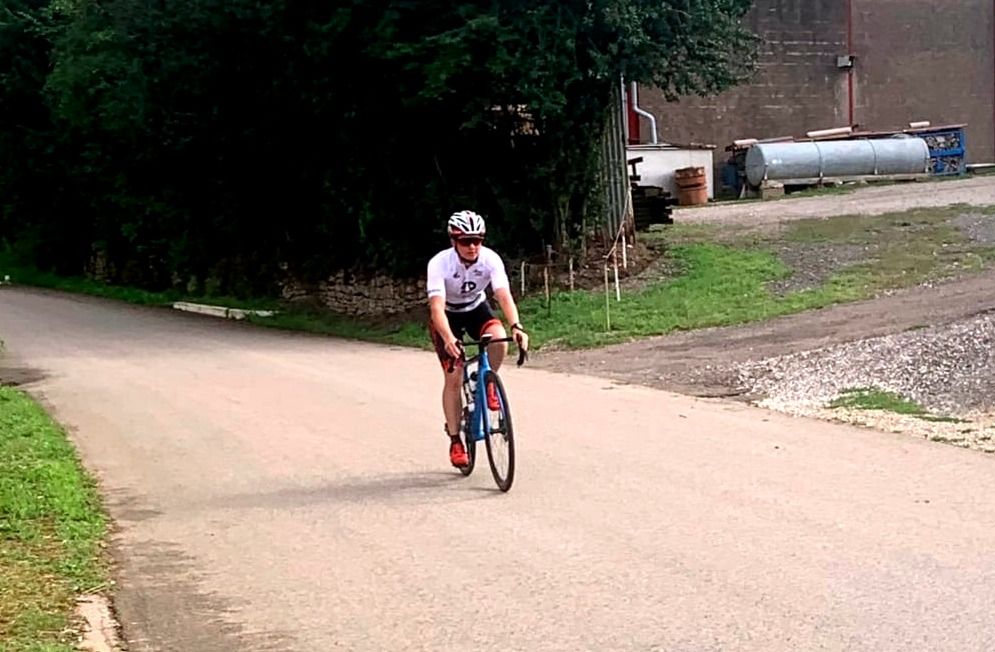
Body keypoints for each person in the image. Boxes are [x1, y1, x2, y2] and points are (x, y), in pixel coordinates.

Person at [426, 210, 529, 468]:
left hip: (476, 309)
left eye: (478, 240)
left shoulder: (490, 259)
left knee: (499, 338)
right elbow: (436, 308)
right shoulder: (439, 263)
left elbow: (503, 295)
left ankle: (487, 381)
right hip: (448, 315)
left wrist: (516, 325)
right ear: (454, 241)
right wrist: (448, 338)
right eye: (466, 241)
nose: (472, 246)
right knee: (453, 376)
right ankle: (455, 440)